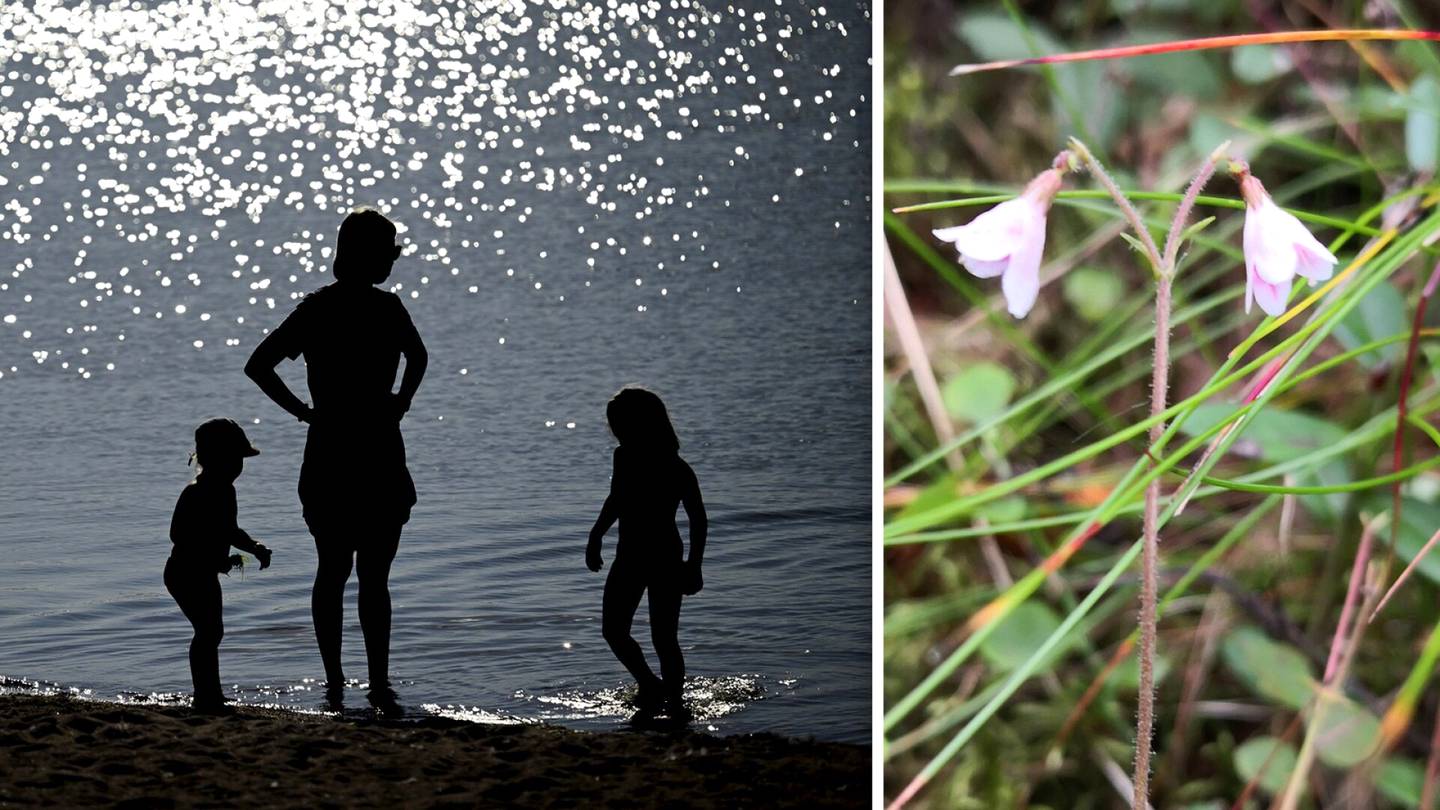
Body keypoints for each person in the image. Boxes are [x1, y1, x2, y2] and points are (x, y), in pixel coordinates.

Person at [244, 207, 427, 712]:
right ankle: (378, 683)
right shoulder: (388, 310)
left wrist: (306, 413)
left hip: (329, 448)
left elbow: (259, 365)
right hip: (378, 449)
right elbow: (419, 356)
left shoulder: (317, 309)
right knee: (374, 576)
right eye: (389, 252)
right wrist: (400, 401)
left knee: (333, 569)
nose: (393, 261)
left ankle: (335, 684)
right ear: (374, 256)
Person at [587, 386, 707, 719]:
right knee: (613, 630)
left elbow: (697, 518)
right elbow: (617, 499)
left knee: (664, 637)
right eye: (615, 426)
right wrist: (596, 535)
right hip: (628, 555)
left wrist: (694, 566)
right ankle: (650, 684)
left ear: (645, 423)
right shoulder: (623, 457)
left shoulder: (676, 467)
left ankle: (676, 702)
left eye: (622, 425)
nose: (617, 433)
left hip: (666, 556)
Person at [166, 418, 273, 714]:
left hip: (204, 571)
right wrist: (210, 554)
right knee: (208, 631)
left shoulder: (227, 491)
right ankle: (205, 695)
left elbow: (230, 530)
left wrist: (255, 547)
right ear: (212, 459)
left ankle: (210, 693)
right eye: (232, 459)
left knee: (212, 631)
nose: (238, 466)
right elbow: (178, 534)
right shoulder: (196, 491)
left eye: (240, 459)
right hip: (185, 571)